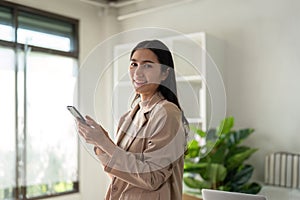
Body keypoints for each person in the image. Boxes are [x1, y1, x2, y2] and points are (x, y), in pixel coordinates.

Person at [77, 40, 189, 200]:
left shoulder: (167, 113)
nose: (138, 72)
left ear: (165, 73)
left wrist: (105, 143)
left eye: (147, 65)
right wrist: (101, 143)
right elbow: (122, 177)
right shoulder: (127, 118)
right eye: (133, 64)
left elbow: (152, 178)